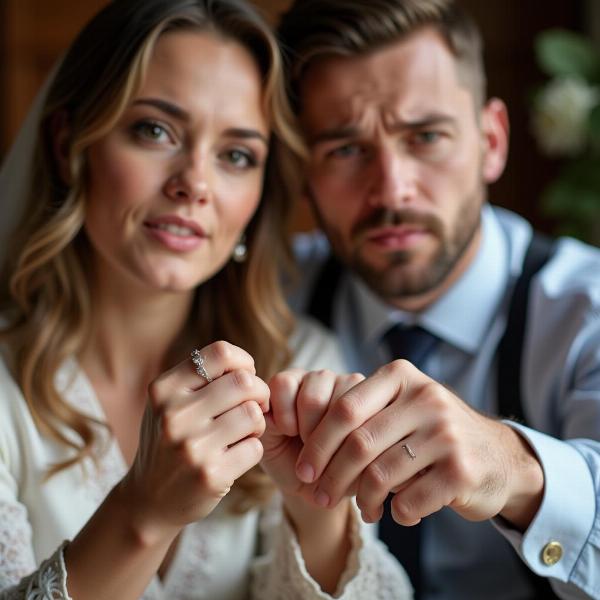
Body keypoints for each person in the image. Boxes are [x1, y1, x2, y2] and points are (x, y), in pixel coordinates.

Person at [0, 0, 414, 598]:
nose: (194, 183)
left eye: (236, 155)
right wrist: (143, 514)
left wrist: (319, 509)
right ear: (70, 143)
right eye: (155, 130)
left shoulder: (303, 357)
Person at [277, 1, 600, 599]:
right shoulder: (270, 298)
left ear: (492, 141)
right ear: (304, 172)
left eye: (425, 137)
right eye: (346, 150)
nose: (391, 189)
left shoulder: (587, 311)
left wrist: (517, 469)